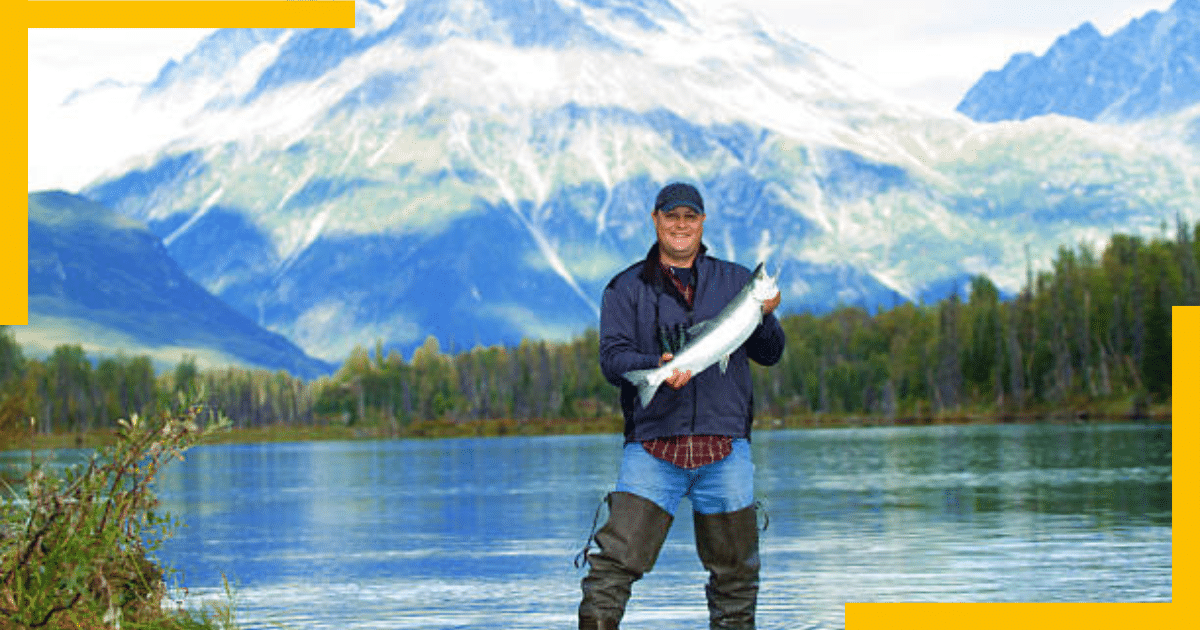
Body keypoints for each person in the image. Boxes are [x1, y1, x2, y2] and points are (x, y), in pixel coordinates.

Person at [577, 182, 785, 629]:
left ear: (702, 222)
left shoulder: (737, 282)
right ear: (655, 220)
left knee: (737, 576)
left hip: (725, 447)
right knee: (612, 566)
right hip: (653, 448)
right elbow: (612, 360)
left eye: (690, 217)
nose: (680, 225)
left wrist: (764, 314)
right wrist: (656, 365)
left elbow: (770, 353)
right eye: (671, 216)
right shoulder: (624, 288)